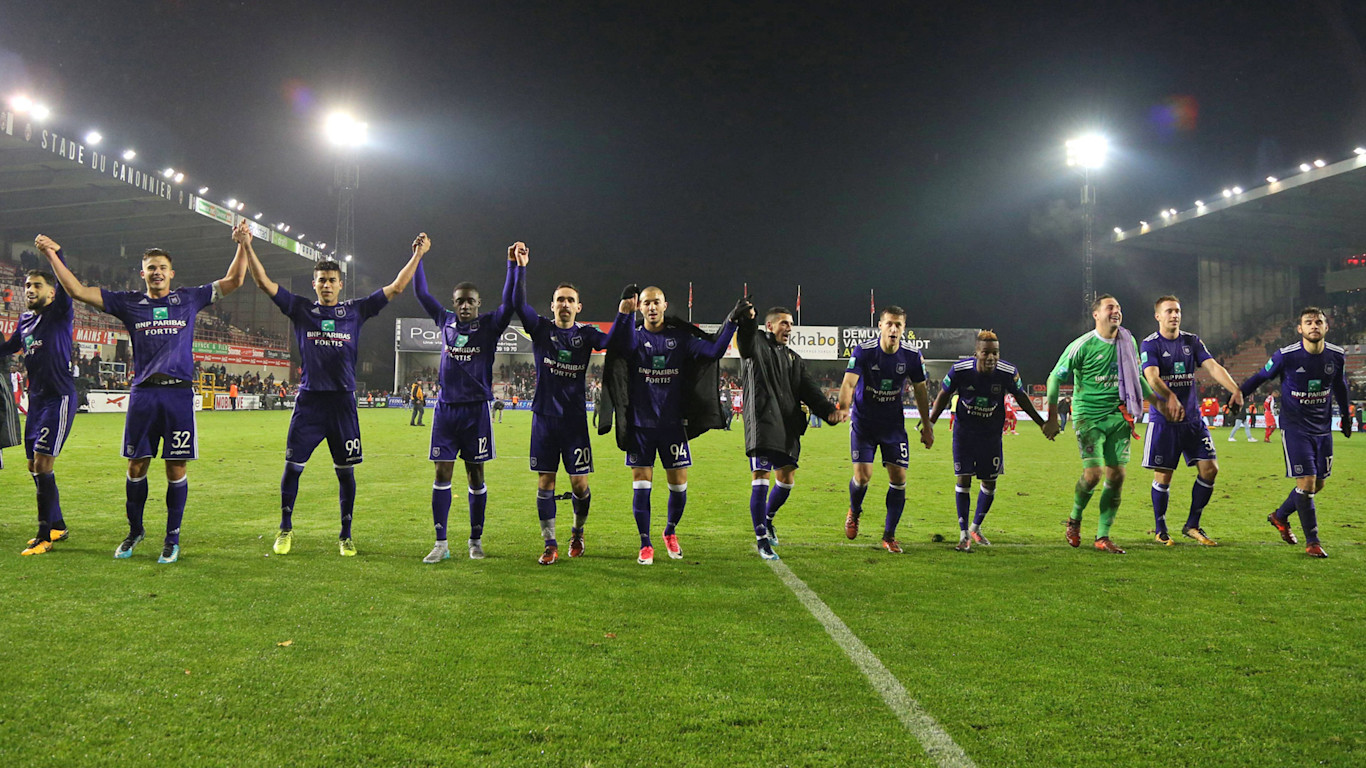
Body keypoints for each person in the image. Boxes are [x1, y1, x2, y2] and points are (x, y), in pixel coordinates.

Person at [40, 224, 247, 563]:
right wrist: (52, 254)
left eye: (162, 267)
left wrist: (242, 245)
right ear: (143, 273)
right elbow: (77, 290)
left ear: (171, 273)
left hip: (178, 395)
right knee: (136, 466)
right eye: (151, 268)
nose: (157, 272)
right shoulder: (128, 303)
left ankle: (172, 538)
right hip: (144, 395)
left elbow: (235, 281)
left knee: (175, 468)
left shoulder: (189, 298)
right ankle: (135, 531)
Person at [247, 228, 425, 557]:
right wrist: (246, 245)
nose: (327, 284)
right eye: (321, 280)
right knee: (293, 468)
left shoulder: (355, 311)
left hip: (343, 402)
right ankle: (285, 528)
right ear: (313, 284)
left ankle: (346, 534)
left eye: (332, 279)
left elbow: (397, 287)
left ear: (340, 284)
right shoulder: (300, 309)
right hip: (310, 403)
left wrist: (417, 255)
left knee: (346, 472)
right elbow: (263, 283)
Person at [599, 285, 739, 565]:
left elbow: (713, 351)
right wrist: (624, 313)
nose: (652, 307)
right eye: (647, 303)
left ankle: (670, 532)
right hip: (640, 426)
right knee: (641, 486)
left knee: (678, 486)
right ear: (641, 308)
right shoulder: (634, 338)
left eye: (656, 302)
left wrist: (732, 321)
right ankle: (645, 543)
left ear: (665, 306)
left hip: (673, 426)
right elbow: (618, 345)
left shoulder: (680, 338)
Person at [512, 255, 634, 564]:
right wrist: (519, 267)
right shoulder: (539, 329)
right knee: (545, 483)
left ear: (578, 307)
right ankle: (549, 543)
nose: (564, 304)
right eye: (559, 300)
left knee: (580, 485)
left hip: (574, 422)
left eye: (570, 300)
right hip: (544, 419)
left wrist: (623, 314)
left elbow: (612, 341)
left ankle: (578, 532)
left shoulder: (587, 335)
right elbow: (517, 302)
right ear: (552, 305)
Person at [415, 241, 520, 563]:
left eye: (470, 302)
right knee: (442, 475)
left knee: (476, 476)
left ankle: (475, 540)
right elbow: (421, 293)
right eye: (459, 301)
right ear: (453, 303)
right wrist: (419, 257)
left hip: (476, 411)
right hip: (445, 410)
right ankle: (441, 543)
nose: (464, 306)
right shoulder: (444, 321)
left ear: (478, 304)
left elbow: (512, 301)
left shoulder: (489, 325)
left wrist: (513, 265)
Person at [1046, 294, 1165, 555]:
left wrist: (1158, 403)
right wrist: (1053, 416)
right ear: (1096, 314)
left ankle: (1103, 536)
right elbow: (1054, 377)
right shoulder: (1083, 345)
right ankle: (1075, 518)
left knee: (1117, 475)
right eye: (1110, 307)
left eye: (1119, 308)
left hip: (1119, 416)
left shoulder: (1127, 341)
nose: (1116, 311)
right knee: (1094, 474)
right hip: (1089, 417)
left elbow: (1137, 379)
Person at [928, 330, 1055, 551]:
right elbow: (943, 395)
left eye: (995, 353)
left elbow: (1022, 397)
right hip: (964, 433)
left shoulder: (1008, 372)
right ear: (976, 353)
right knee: (963, 479)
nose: (991, 357)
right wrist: (930, 422)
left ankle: (976, 528)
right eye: (986, 352)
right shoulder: (960, 370)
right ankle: (963, 533)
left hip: (990, 435)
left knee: (989, 483)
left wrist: (1041, 423)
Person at [1240, 307, 1351, 558]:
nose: (1314, 325)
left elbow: (1340, 386)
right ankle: (1312, 541)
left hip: (1323, 429)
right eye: (1308, 322)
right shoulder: (1286, 356)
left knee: (1317, 485)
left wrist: (1345, 416)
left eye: (1318, 322)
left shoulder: (1336, 355)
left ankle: (1279, 516)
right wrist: (1237, 394)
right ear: (1300, 329)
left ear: (1326, 327)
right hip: (1295, 428)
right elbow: (1260, 377)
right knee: (1307, 483)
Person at [738, 304, 846, 560]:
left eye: (791, 324)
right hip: (763, 423)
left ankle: (768, 517)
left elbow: (810, 391)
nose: (788, 328)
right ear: (770, 326)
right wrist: (747, 321)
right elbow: (744, 340)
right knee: (761, 477)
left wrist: (829, 412)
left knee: (786, 479)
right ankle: (761, 539)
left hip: (787, 426)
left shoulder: (794, 359)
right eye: (784, 323)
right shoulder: (756, 347)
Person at [1140, 296, 1244, 546]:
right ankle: (1160, 528)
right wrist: (1170, 396)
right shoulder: (1149, 344)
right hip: (1165, 420)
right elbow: (1151, 377)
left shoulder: (1192, 341)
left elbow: (1213, 367)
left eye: (1177, 311)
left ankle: (1192, 525)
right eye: (1169, 311)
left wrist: (1235, 389)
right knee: (1164, 476)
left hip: (1193, 420)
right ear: (1158, 316)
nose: (1174, 315)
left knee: (1210, 469)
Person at [838, 306, 934, 553]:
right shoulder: (865, 351)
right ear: (880, 325)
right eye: (889, 323)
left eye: (898, 325)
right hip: (864, 424)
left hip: (892, 425)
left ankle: (889, 535)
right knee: (862, 477)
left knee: (899, 478)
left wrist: (927, 425)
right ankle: (855, 511)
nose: (893, 328)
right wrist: (843, 407)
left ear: (904, 328)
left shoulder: (912, 356)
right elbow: (849, 383)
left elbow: (921, 391)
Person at [3, 239, 76, 556]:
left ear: (50, 292)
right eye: (27, 285)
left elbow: (66, 283)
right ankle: (57, 524)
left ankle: (44, 535)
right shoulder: (25, 320)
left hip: (59, 398)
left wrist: (54, 254)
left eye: (36, 285)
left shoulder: (60, 311)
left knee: (44, 462)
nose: (30, 289)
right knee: (34, 464)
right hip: (37, 400)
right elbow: (9, 348)